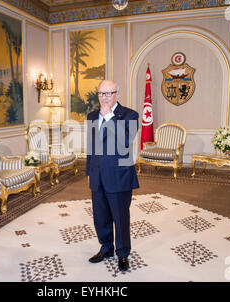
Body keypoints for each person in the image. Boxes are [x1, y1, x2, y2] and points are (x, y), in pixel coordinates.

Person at [86, 80, 140, 272]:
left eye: (109, 93)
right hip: (97, 175)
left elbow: (126, 140)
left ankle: (123, 254)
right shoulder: (92, 116)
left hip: (119, 176)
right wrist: (88, 171)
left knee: (120, 217)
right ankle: (106, 248)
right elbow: (91, 147)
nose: (104, 97)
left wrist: (110, 118)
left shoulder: (130, 115)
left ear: (117, 93)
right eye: (101, 94)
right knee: (100, 217)